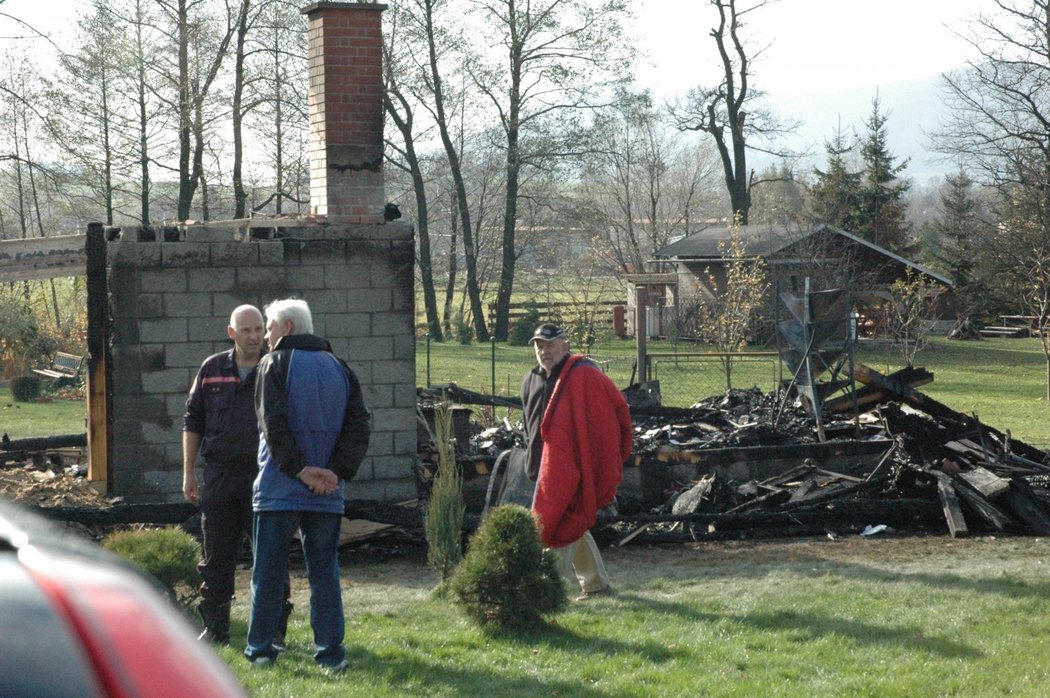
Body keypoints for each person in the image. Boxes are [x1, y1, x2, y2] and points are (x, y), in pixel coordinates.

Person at [245, 298, 370, 672]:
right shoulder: (340, 367)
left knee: (267, 572)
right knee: (325, 575)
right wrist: (335, 473)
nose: (265, 336)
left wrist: (300, 471)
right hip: (327, 493)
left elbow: (273, 424)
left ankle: (261, 650)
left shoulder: (274, 364)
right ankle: (331, 655)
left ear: (287, 329)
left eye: (268, 328)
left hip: (278, 490)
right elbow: (359, 427)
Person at [183, 304, 292, 645]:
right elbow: (193, 422)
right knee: (216, 558)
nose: (254, 336)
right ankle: (216, 631)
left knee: (271, 556)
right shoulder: (211, 369)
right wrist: (189, 473)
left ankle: (274, 633)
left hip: (266, 478)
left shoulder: (276, 368)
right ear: (231, 332)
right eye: (245, 330)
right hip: (219, 477)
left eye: (259, 329)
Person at [520, 322, 633, 600]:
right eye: (539, 345)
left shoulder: (583, 377)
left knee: (556, 524)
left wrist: (590, 465)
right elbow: (529, 426)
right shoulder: (531, 380)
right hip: (542, 467)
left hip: (573, 467)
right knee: (573, 523)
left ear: (565, 345)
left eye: (549, 344)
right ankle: (596, 585)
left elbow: (606, 422)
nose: (543, 351)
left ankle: (546, 593)